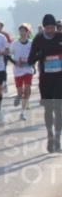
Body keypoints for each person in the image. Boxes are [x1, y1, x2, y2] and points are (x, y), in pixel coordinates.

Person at [29, 13, 62, 152]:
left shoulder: (61, 37)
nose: (50, 30)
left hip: (60, 78)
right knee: (48, 108)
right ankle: (50, 135)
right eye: (47, 28)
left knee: (59, 108)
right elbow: (30, 60)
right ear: (43, 28)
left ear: (56, 27)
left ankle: (58, 138)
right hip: (45, 80)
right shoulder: (38, 39)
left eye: (52, 27)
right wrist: (39, 55)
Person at [7, 23, 34, 119]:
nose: (22, 33)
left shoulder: (31, 43)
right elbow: (8, 55)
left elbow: (35, 55)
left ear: (27, 32)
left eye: (24, 31)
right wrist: (15, 62)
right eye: (20, 31)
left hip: (28, 69)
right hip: (18, 71)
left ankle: (22, 112)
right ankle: (18, 96)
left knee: (27, 89)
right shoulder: (14, 44)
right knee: (20, 92)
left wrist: (32, 62)